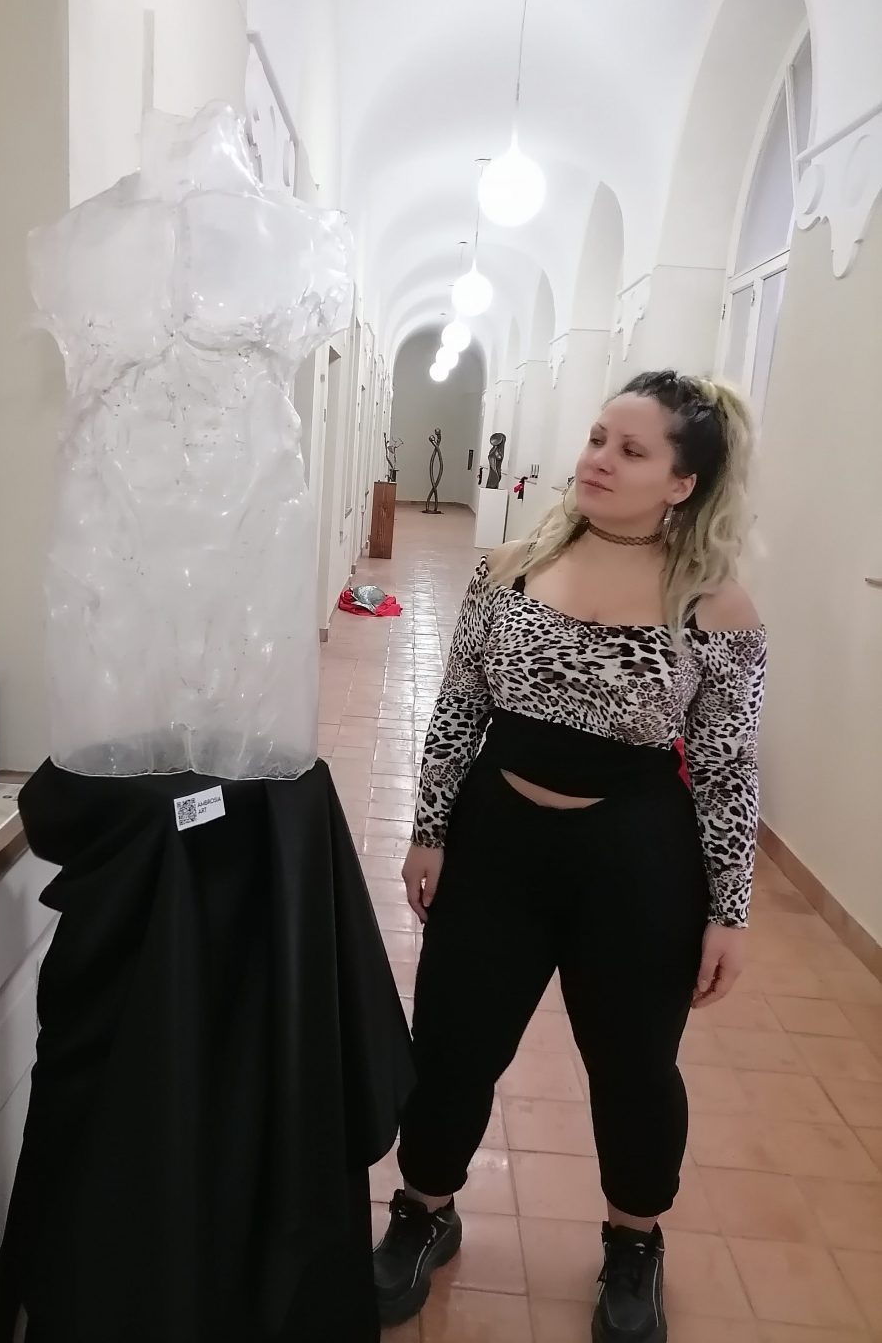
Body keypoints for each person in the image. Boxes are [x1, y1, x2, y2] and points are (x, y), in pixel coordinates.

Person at [373, 371, 766, 1342]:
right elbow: (459, 707)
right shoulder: (510, 568)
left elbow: (727, 767)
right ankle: (424, 1208)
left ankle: (634, 1239)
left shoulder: (715, 606)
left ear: (682, 483)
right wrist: (430, 829)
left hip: (636, 861)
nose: (599, 459)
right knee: (455, 1039)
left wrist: (730, 910)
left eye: (631, 450)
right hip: (496, 842)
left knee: (634, 1065)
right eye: (597, 438)